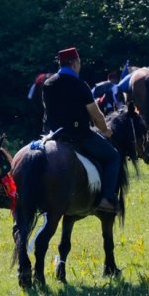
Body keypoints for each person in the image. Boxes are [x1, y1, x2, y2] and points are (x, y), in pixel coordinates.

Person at [42, 48, 120, 213]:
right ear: (74, 63)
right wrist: (105, 130)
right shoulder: (79, 85)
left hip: (53, 136)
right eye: (79, 62)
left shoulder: (47, 83)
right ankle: (106, 198)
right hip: (78, 136)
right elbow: (96, 116)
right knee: (113, 157)